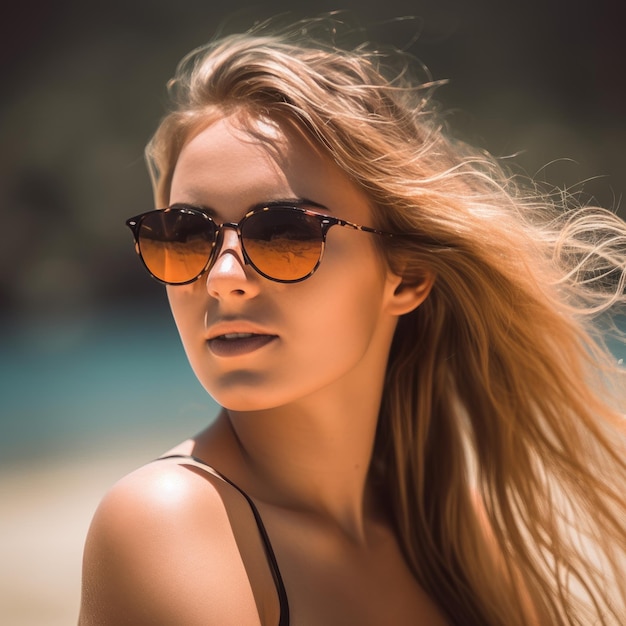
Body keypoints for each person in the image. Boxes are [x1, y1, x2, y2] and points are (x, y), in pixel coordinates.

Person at [79, 15, 626, 626]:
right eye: (183, 236)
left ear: (407, 276)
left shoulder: (460, 535)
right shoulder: (169, 522)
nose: (223, 276)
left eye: (283, 232)